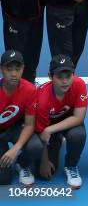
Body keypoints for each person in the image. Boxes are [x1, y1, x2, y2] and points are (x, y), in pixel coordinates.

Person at [35, 55, 88, 189]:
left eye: (68, 76)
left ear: (73, 75)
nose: (65, 81)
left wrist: (50, 130)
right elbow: (41, 132)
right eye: (59, 77)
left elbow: (78, 117)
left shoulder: (79, 84)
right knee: (45, 174)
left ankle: (71, 166)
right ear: (50, 76)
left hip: (68, 121)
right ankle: (58, 139)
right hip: (47, 124)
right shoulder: (41, 98)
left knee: (78, 134)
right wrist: (44, 161)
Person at [0, 50, 42, 186]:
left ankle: (21, 164)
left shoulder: (30, 90)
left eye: (17, 69)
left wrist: (16, 148)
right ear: (1, 70)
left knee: (35, 146)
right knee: (3, 179)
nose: (13, 74)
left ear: (23, 69)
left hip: (15, 127)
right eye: (8, 69)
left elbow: (30, 124)